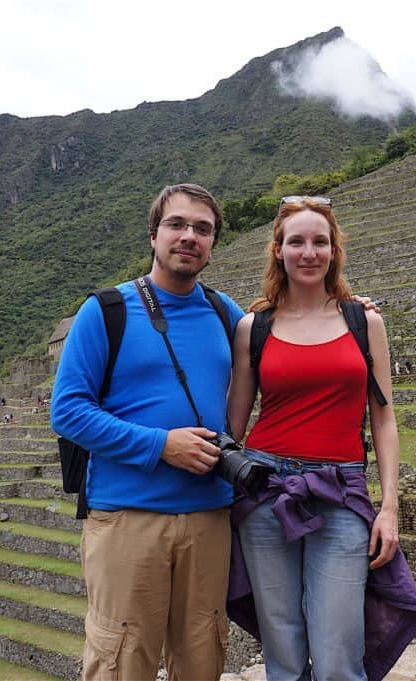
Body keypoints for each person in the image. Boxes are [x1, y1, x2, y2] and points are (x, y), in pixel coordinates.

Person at [51, 184, 246, 680]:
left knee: (203, 656)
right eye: (177, 225)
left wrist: (352, 308)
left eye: (202, 229)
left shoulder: (226, 314)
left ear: (214, 243)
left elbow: (292, 336)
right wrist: (162, 446)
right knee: (122, 659)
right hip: (127, 520)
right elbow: (68, 411)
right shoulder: (107, 311)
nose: (189, 236)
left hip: (208, 520)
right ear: (153, 236)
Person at [226, 196, 416, 681]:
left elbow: (384, 419)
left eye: (320, 242)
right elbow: (233, 425)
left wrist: (390, 507)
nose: (308, 252)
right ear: (278, 250)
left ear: (335, 251)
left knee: (339, 654)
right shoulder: (255, 328)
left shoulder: (364, 322)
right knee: (284, 650)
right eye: (297, 242)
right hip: (267, 492)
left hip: (341, 491)